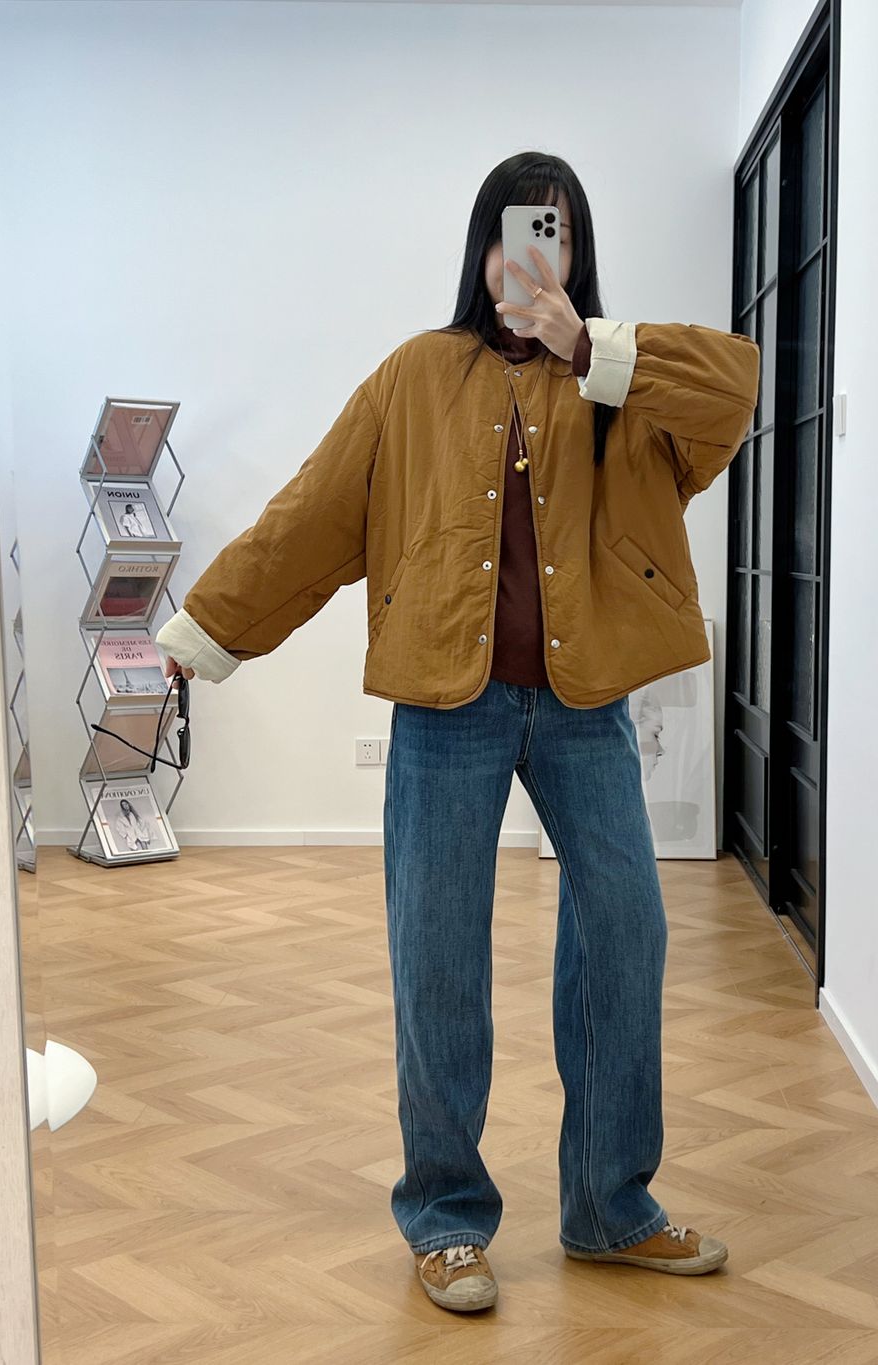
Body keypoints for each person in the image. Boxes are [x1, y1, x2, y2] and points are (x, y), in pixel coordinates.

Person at [156, 152, 760, 1314]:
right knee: (436, 956)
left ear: (577, 254)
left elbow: (732, 394)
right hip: (446, 707)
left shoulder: (623, 378)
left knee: (624, 935)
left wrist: (590, 346)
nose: (527, 255)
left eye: (553, 234)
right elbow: (312, 516)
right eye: (510, 232)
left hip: (586, 708)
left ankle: (609, 1209)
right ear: (479, 249)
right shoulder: (414, 376)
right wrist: (202, 633)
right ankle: (444, 1217)